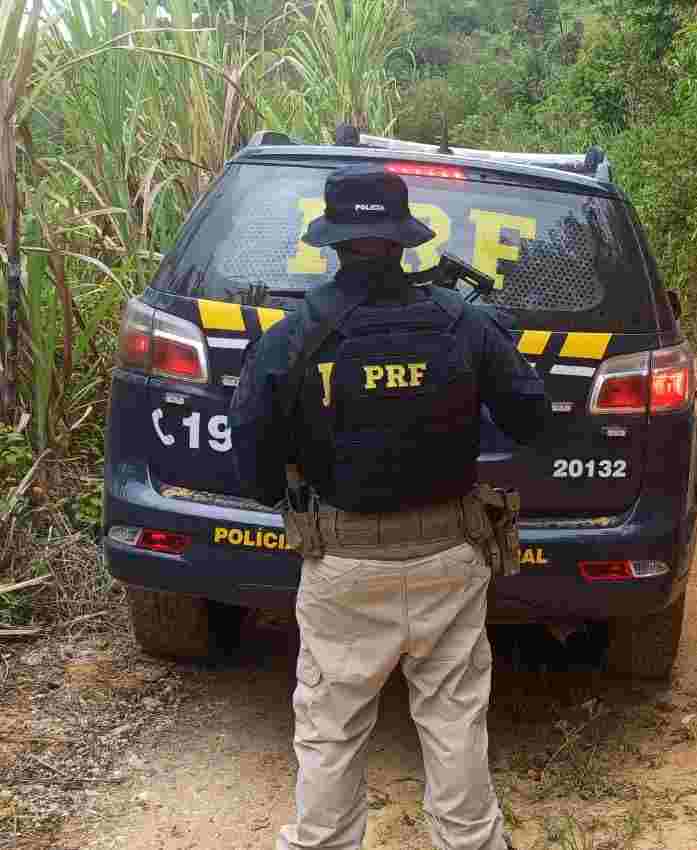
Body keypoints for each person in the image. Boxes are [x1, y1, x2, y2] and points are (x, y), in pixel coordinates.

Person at [229, 163, 549, 850]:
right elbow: (530, 419)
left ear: (334, 241)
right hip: (449, 556)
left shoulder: (292, 337)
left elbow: (252, 466)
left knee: (331, 725)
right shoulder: (462, 321)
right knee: (455, 716)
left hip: (342, 563)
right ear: (404, 241)